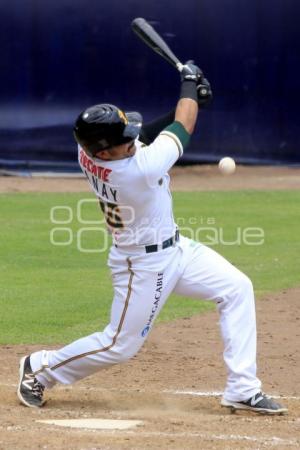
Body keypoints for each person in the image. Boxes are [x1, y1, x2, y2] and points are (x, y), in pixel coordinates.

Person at [17, 62, 287, 415]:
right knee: (119, 345)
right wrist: (189, 87)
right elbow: (181, 127)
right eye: (123, 141)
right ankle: (39, 367)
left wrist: (191, 102)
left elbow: (149, 134)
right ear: (105, 152)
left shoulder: (86, 152)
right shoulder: (139, 172)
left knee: (237, 287)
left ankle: (242, 388)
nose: (132, 142)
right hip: (141, 265)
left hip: (177, 249)